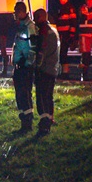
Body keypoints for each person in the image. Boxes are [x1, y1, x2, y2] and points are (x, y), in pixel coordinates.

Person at [33, 8, 60, 136]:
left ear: (41, 17)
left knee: (42, 96)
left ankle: (45, 123)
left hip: (45, 69)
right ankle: (50, 118)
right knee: (48, 96)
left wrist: (36, 66)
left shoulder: (44, 32)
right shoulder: (53, 31)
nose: (34, 21)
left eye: (35, 18)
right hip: (52, 68)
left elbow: (42, 52)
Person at [11, 1, 37, 134]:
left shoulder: (29, 26)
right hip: (20, 65)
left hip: (25, 67)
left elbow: (33, 48)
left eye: (16, 12)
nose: (14, 14)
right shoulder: (21, 26)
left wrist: (27, 64)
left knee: (25, 93)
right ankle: (24, 122)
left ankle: (28, 123)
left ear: (21, 12)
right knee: (20, 94)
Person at [54, 0, 78, 80]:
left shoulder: (70, 8)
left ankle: (65, 72)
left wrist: (71, 35)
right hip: (61, 35)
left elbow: (73, 22)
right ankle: (62, 72)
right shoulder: (61, 8)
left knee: (63, 53)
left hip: (66, 35)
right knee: (61, 53)